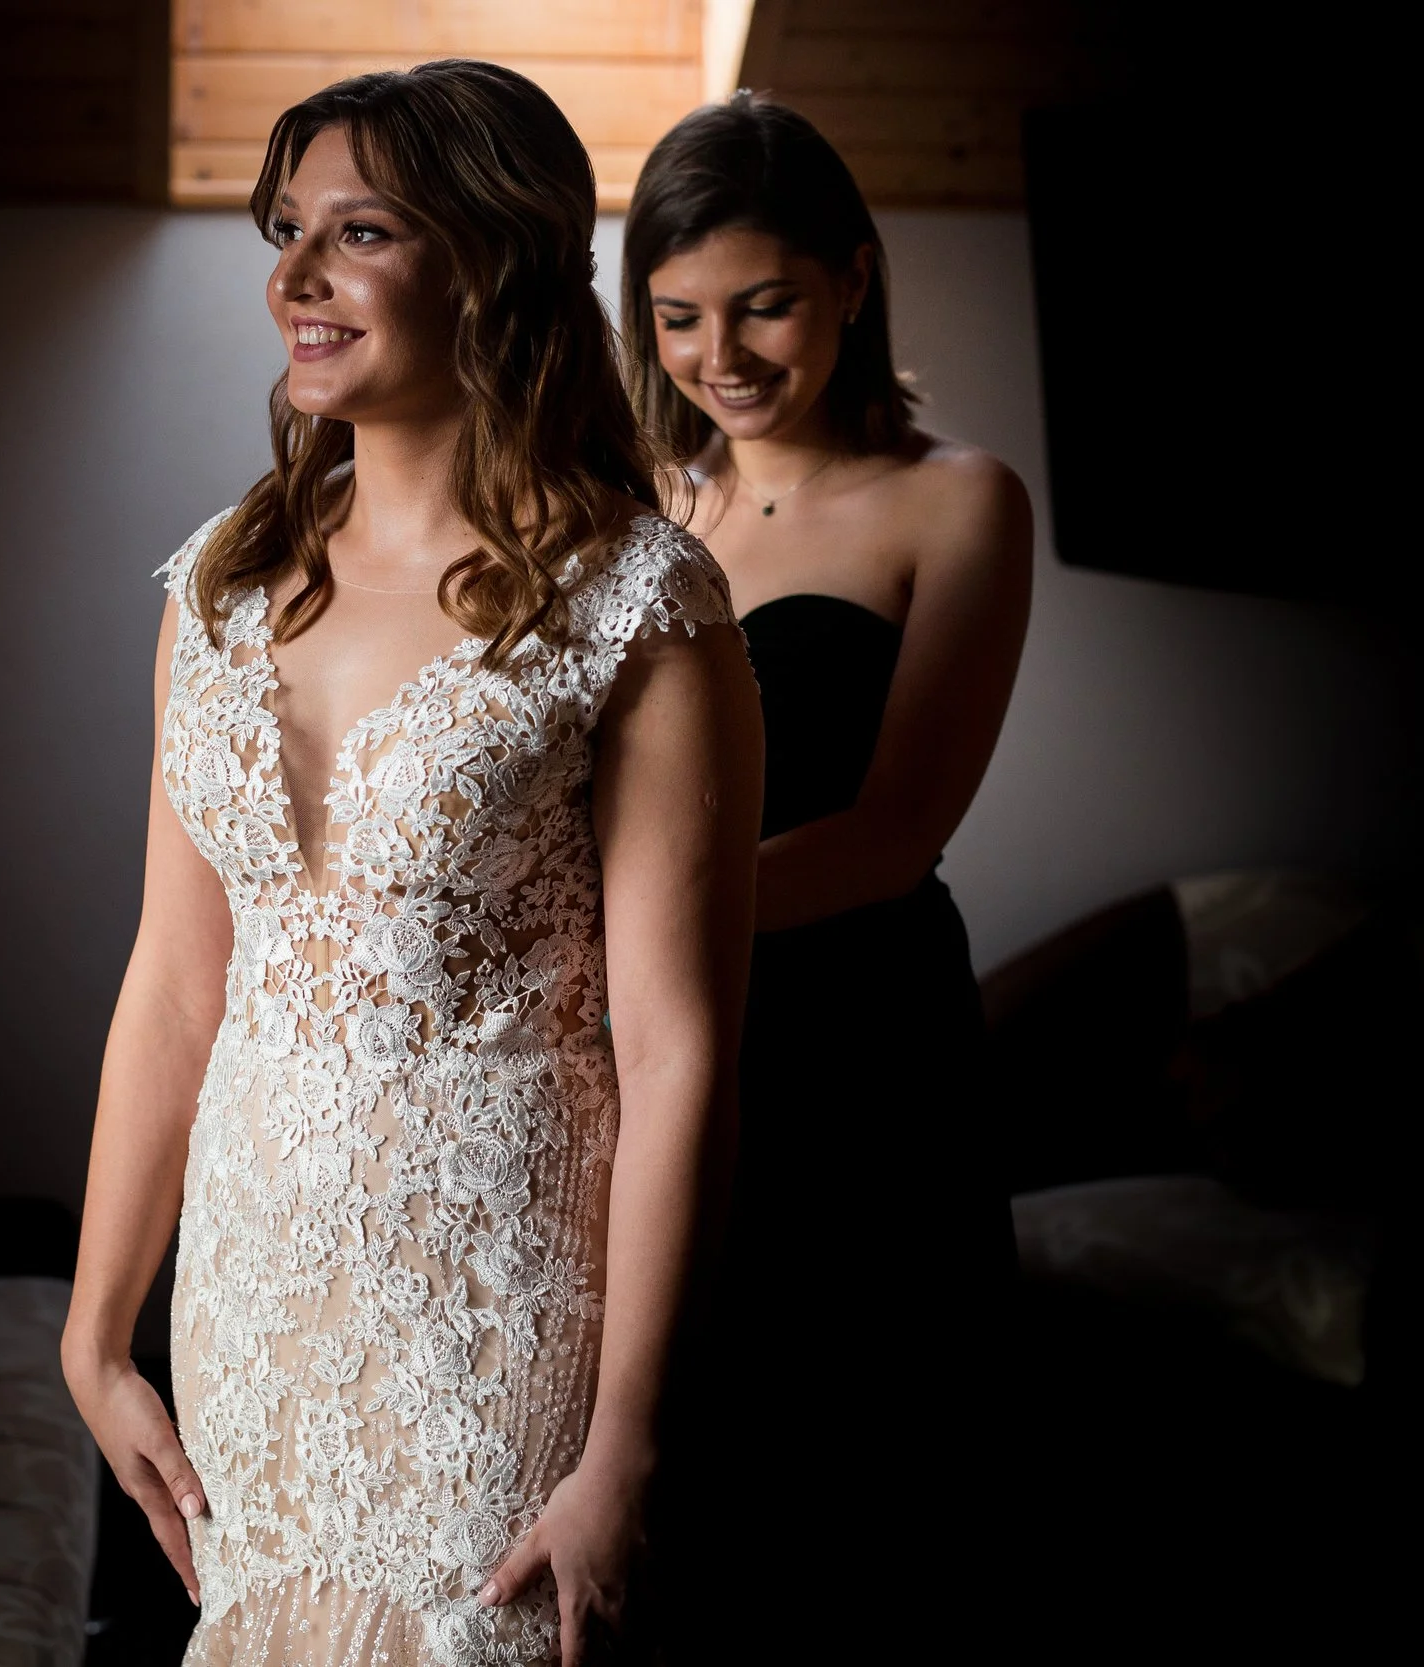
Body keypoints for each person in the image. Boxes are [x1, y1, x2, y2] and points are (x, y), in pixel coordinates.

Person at [62, 62, 764, 1667]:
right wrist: (97, 1329)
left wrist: (628, 1442)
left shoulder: (637, 605)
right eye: (285, 229)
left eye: (357, 232)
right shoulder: (222, 588)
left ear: (493, 261)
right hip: (251, 1309)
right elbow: (177, 985)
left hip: (494, 1315)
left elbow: (679, 1052)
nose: (293, 279)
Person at [620, 92, 1033, 1630]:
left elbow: (897, 831)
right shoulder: (642, 505)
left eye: (764, 304)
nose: (718, 355)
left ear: (855, 279)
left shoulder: (958, 500)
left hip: (861, 1042)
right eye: (675, 317)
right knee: (674, 1481)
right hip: (658, 1039)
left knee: (862, 1497)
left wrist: (632, 940)